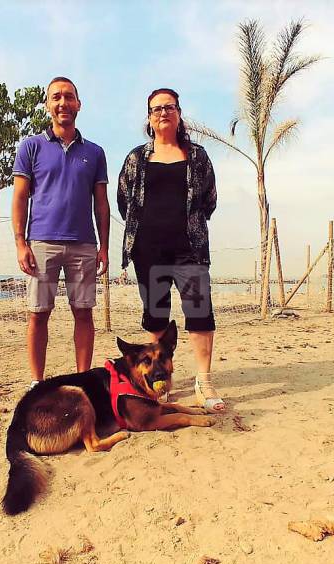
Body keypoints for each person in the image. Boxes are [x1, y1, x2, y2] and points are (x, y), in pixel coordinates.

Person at [116, 88, 224, 412]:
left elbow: (210, 200)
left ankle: (204, 382)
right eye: (156, 108)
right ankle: (158, 381)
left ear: (179, 114)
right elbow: (124, 202)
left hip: (189, 249)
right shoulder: (136, 158)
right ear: (149, 118)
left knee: (200, 313)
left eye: (169, 107)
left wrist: (187, 224)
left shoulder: (198, 156)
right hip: (148, 251)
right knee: (156, 315)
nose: (163, 113)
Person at [12, 77, 110, 387]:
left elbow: (102, 205)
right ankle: (37, 383)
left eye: (69, 97)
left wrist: (104, 246)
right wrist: (20, 243)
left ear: (79, 104)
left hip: (83, 245)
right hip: (42, 242)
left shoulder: (94, 152)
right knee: (38, 314)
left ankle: (82, 381)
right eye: (56, 97)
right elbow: (19, 197)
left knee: (83, 313)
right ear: (47, 105)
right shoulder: (31, 147)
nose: (62, 102)